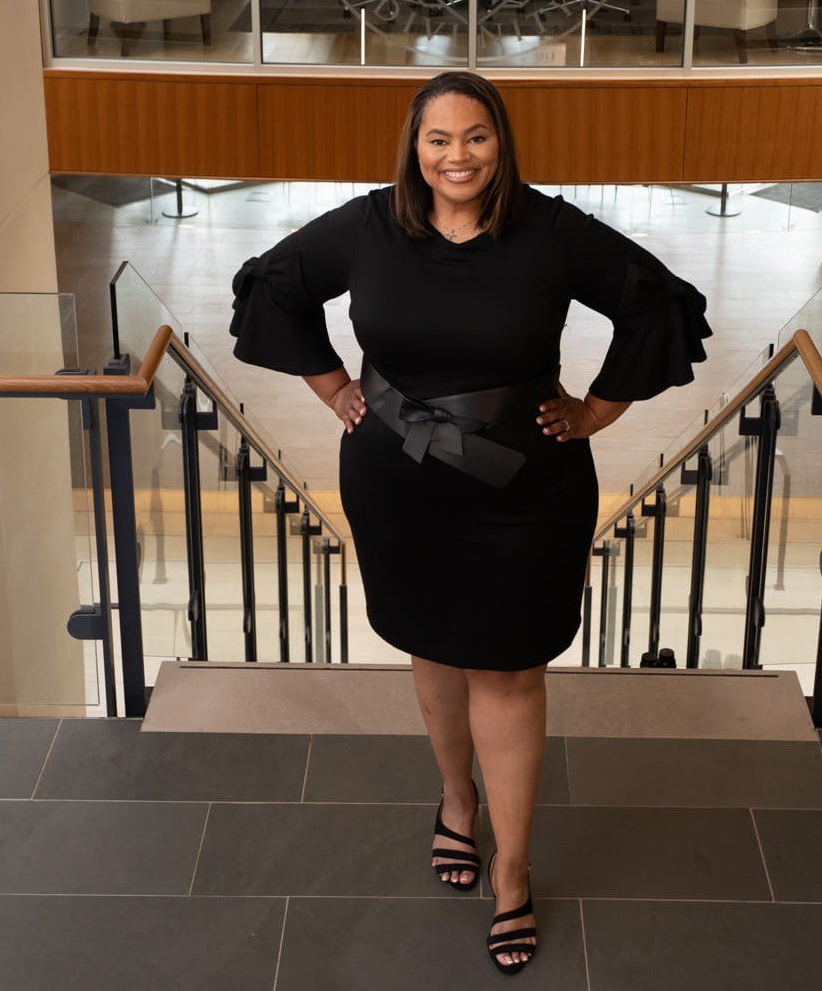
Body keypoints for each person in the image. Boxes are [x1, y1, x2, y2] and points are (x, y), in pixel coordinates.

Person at [229, 70, 711, 974]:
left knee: (509, 673)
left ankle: (515, 871)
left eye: (475, 137)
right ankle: (458, 802)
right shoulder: (368, 227)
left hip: (520, 488)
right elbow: (273, 286)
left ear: (502, 142)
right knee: (432, 651)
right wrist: (334, 387)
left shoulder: (550, 231)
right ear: (415, 147)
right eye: (438, 139)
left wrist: (598, 412)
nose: (457, 156)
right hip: (397, 480)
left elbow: (656, 298)